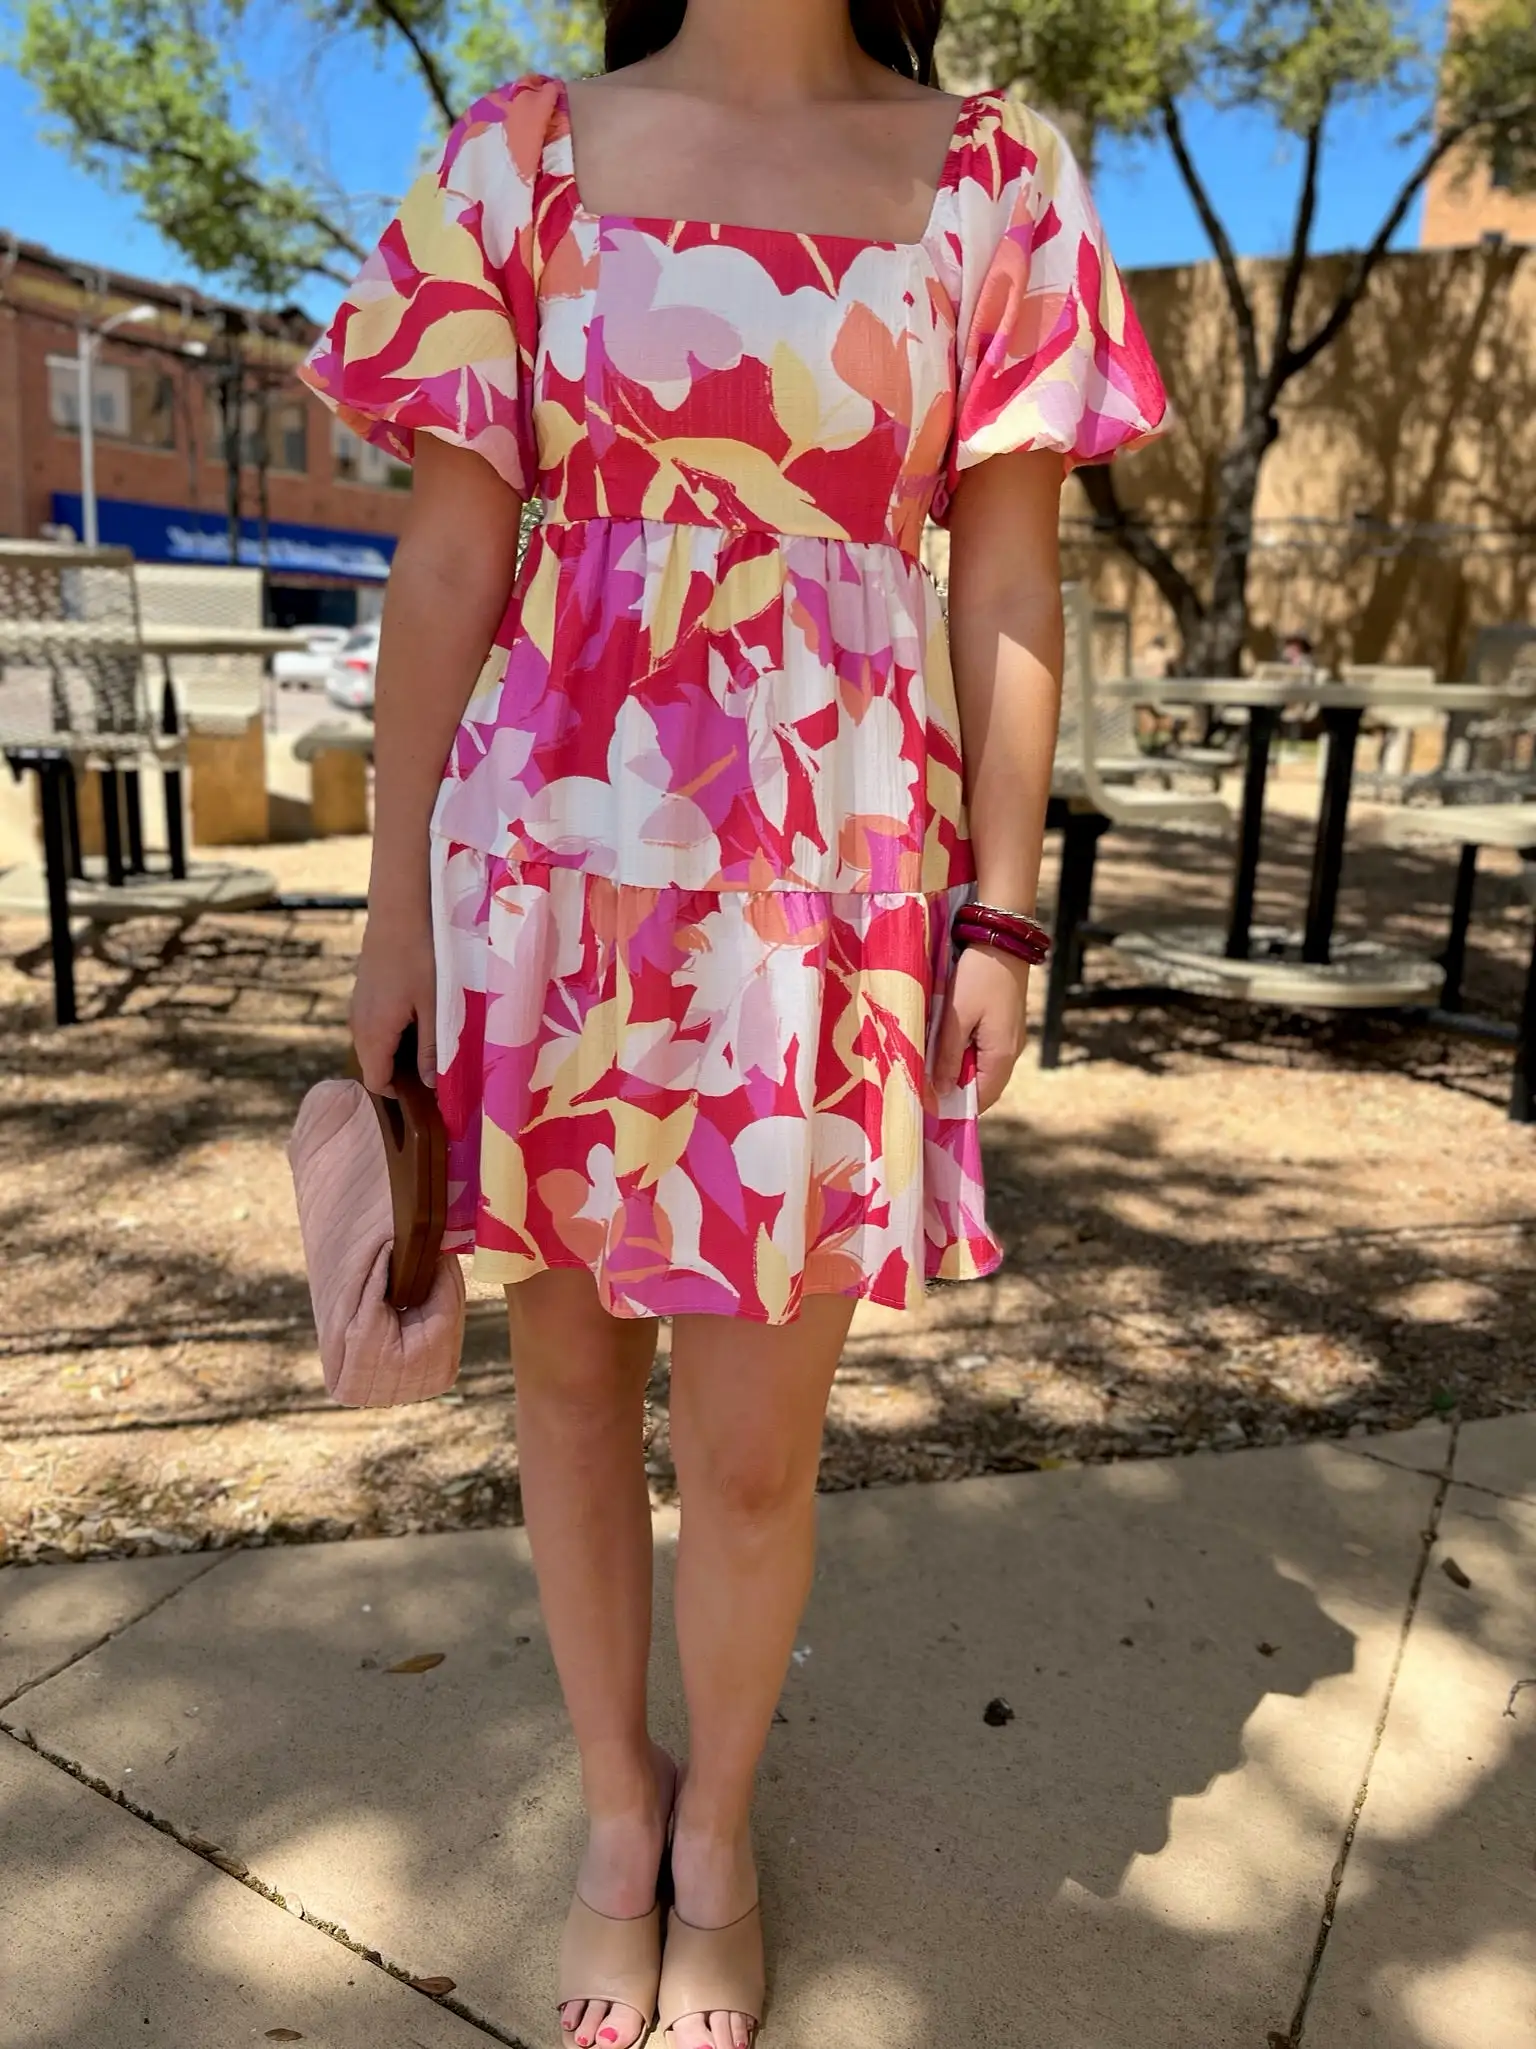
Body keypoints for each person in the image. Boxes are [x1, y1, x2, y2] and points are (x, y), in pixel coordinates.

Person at [299, 3, 1166, 2043]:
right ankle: (621, 1814)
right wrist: (390, 914)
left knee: (758, 1451)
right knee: (573, 1388)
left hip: (831, 878)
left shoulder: (997, 180)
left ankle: (724, 1830)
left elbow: (1014, 588)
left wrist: (1008, 917)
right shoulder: (515, 156)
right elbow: (446, 562)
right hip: (554, 864)